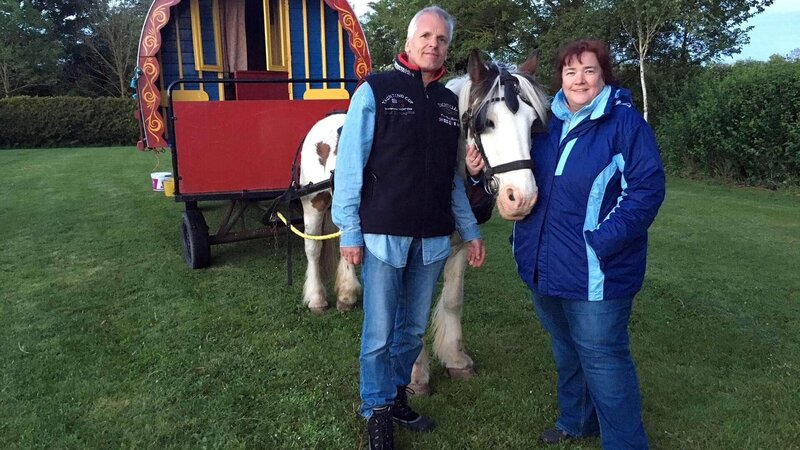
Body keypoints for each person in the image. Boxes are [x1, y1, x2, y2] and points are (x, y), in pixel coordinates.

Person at [467, 39, 665, 449]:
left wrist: (600, 241)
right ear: (560, 77)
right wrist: (477, 173)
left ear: (603, 75)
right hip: (544, 263)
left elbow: (646, 190)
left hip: (597, 270)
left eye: (589, 71)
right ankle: (577, 420)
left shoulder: (624, 124)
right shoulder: (544, 122)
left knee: (604, 360)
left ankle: (625, 443)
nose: (579, 79)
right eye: (571, 71)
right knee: (566, 350)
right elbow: (515, 172)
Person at [332, 6, 486, 450]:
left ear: (447, 48)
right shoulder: (375, 90)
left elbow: (451, 180)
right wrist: (349, 230)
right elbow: (350, 167)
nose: (433, 44)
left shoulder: (445, 104)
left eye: (441, 39)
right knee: (379, 333)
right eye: (426, 36)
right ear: (409, 39)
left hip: (433, 240)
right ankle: (376, 410)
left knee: (412, 331)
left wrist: (470, 231)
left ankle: (397, 397)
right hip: (382, 234)